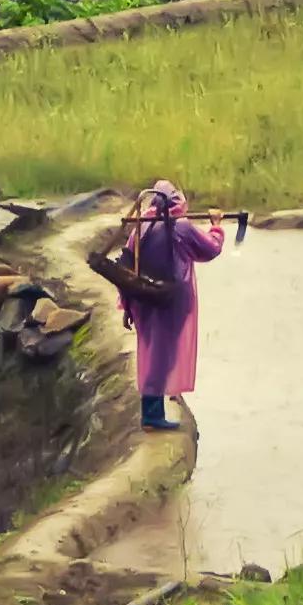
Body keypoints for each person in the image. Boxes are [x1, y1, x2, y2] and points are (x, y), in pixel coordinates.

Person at [120, 180, 246, 431]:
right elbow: (210, 250)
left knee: (151, 350)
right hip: (171, 301)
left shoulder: (140, 229)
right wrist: (217, 227)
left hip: (144, 300)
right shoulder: (182, 227)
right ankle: (152, 415)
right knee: (161, 355)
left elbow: (126, 270)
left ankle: (155, 403)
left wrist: (126, 306)